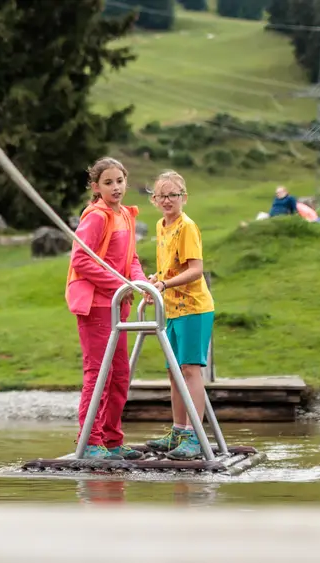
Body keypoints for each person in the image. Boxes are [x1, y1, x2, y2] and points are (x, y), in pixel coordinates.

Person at [65, 157, 149, 461]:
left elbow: (132, 259)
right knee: (99, 372)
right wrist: (120, 285)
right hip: (96, 305)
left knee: (119, 374)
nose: (116, 187)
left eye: (120, 181)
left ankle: (112, 440)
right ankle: (90, 440)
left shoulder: (125, 215)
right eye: (108, 182)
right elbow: (81, 260)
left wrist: (140, 284)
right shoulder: (96, 217)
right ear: (96, 187)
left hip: (118, 305)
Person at [145, 170, 215, 461]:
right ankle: (177, 431)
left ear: (183, 197)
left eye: (172, 195)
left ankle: (194, 436)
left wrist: (165, 284)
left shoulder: (187, 227)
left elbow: (196, 269)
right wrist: (155, 281)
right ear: (154, 199)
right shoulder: (161, 226)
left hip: (194, 308)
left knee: (189, 369)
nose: (167, 200)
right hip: (172, 308)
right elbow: (169, 267)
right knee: (174, 372)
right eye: (161, 196)